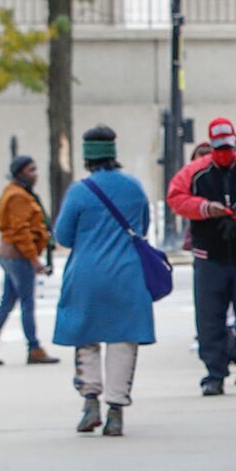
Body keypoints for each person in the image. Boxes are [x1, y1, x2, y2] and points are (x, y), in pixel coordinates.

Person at [52, 127, 156, 437]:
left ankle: (90, 402)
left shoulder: (80, 191)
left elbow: (63, 236)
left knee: (87, 338)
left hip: (86, 276)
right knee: (123, 341)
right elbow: (144, 228)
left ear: (88, 156)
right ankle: (115, 411)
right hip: (128, 275)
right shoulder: (134, 187)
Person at [166, 118, 236, 396]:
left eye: (228, 146)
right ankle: (214, 374)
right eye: (218, 147)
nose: (224, 152)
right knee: (209, 319)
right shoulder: (195, 173)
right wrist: (205, 208)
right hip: (210, 258)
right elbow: (175, 197)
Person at [0, 155, 59, 366]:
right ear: (20, 173)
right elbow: (21, 231)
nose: (36, 174)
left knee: (7, 302)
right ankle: (34, 348)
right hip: (18, 257)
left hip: (10, 255)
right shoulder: (18, 196)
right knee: (27, 304)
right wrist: (34, 260)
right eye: (31, 170)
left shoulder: (15, 192)